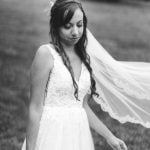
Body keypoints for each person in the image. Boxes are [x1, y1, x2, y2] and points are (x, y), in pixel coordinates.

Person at [21, 0, 150, 150]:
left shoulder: (85, 58)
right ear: (56, 26)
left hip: (78, 135)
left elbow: (81, 106)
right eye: (67, 26)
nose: (75, 32)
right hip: (52, 133)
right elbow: (35, 108)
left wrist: (109, 136)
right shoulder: (46, 54)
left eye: (79, 25)